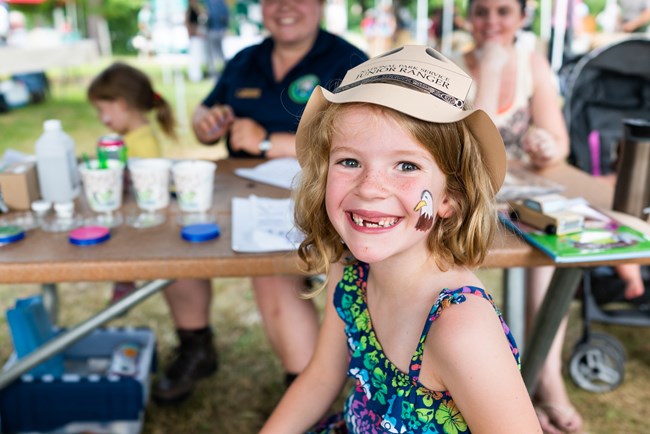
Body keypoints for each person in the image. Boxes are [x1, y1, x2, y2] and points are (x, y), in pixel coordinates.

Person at [260, 45, 541, 434]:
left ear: (450, 198)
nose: (371, 188)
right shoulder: (351, 272)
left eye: (406, 165)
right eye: (349, 161)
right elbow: (322, 377)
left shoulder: (460, 328)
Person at [155, 0, 367, 405]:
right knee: (179, 235)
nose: (285, 7)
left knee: (272, 267)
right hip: (238, 192)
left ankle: (306, 394)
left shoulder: (350, 61)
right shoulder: (245, 59)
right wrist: (205, 121)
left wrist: (268, 143)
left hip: (315, 197)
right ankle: (196, 347)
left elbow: (366, 139)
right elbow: (209, 108)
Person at [87, 63, 218, 404]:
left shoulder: (138, 142)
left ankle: (126, 281)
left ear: (122, 103)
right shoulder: (131, 138)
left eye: (103, 110)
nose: (102, 118)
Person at [204, 0, 230, 78]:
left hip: (219, 30)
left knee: (220, 51)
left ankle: (223, 70)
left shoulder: (220, 3)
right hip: (212, 30)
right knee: (212, 52)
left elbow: (225, 15)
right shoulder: (208, 2)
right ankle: (213, 71)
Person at [186, 0, 208, 82]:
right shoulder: (189, 12)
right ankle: (194, 76)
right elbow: (188, 23)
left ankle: (197, 75)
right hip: (194, 36)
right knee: (194, 56)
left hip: (198, 36)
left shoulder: (198, 10)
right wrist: (193, 33)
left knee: (198, 56)